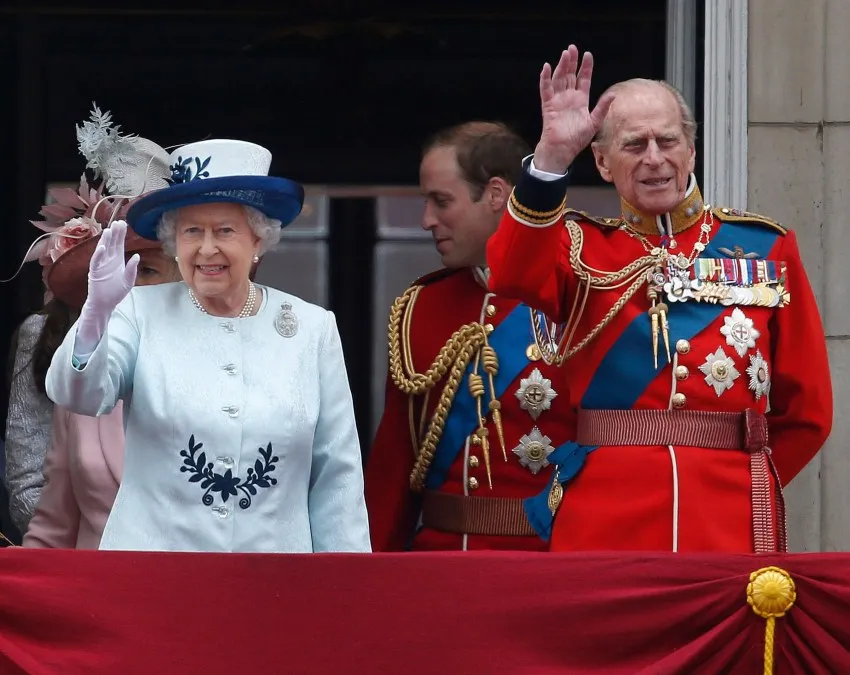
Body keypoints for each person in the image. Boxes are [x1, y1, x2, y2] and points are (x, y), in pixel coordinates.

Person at [485, 45, 833, 553]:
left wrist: (747, 477)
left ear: (691, 151)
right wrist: (552, 158)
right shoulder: (580, 247)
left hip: (729, 514)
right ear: (602, 162)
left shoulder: (767, 247)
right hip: (604, 518)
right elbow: (510, 273)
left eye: (668, 141)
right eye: (634, 145)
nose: (655, 158)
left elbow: (808, 410)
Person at [45, 137, 370, 553]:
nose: (207, 248)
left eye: (225, 231)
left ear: (258, 241)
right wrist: (97, 314)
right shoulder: (138, 313)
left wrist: (344, 589)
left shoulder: (312, 328)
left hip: (275, 582)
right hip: (154, 577)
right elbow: (80, 395)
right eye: (191, 231)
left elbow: (336, 473)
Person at [366, 122, 576, 551]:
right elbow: (393, 474)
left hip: (553, 568)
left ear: (497, 195)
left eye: (441, 202)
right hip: (439, 568)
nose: (427, 220)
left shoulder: (580, 295)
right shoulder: (420, 308)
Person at [5, 106, 180, 539]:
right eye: (118, 265)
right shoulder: (62, 350)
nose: (128, 282)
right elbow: (37, 494)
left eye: (149, 269)